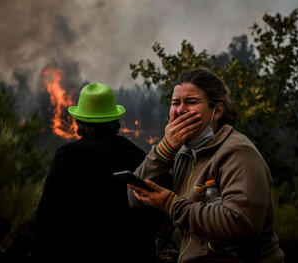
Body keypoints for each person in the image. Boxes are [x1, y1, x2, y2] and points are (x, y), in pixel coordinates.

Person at [128, 69, 284, 263]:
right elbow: (135, 199)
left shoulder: (238, 152)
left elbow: (241, 224)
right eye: (175, 103)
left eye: (191, 102)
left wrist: (171, 204)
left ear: (217, 111)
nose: (180, 110)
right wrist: (164, 150)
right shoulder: (183, 153)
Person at [33, 83, 159, 262]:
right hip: (130, 253)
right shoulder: (134, 153)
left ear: (80, 121)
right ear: (115, 120)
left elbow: (47, 216)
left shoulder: (67, 156)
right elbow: (151, 211)